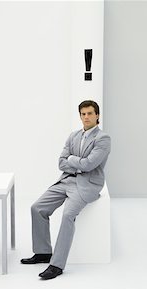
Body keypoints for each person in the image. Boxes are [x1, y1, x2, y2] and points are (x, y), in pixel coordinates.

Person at [21, 100, 111, 279]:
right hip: (66, 180)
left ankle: (57, 265)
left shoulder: (103, 139)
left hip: (88, 185)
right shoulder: (73, 136)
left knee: (68, 215)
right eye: (83, 114)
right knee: (37, 208)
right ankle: (43, 252)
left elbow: (90, 165)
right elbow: (61, 162)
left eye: (90, 113)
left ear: (97, 116)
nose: (86, 117)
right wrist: (76, 163)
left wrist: (72, 160)